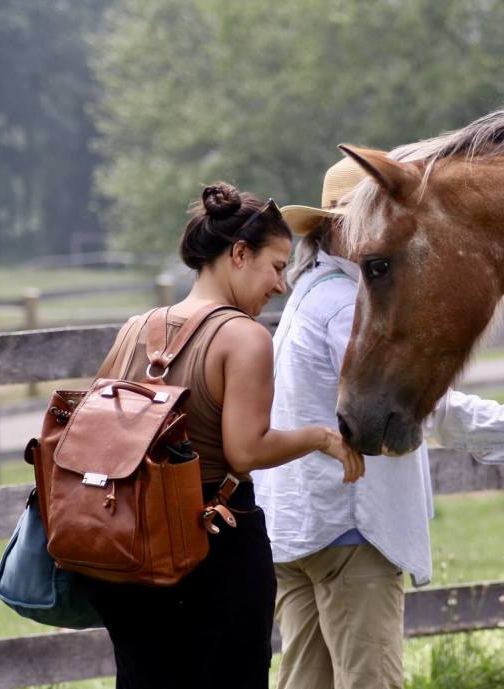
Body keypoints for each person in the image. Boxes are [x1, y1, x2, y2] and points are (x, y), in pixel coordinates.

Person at [255, 157, 504, 689]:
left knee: (304, 681)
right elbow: (426, 406)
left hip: (297, 527)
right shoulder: (345, 306)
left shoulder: (309, 294)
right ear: (337, 227)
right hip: (348, 526)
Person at [88, 182, 364, 689]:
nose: (280, 285)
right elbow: (245, 450)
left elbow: (102, 431)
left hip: (127, 551)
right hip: (214, 546)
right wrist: (321, 437)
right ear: (240, 253)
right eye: (277, 267)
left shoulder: (134, 328)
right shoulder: (243, 336)